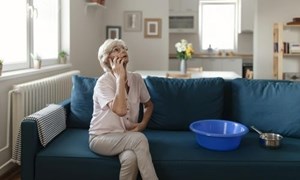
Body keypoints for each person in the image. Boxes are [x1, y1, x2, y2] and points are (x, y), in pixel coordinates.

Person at [89, 39, 158, 180]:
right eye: (116, 49)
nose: (123, 51)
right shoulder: (103, 83)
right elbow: (120, 110)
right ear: (107, 59)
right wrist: (120, 77)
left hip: (125, 136)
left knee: (130, 158)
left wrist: (143, 124)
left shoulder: (137, 79)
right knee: (139, 140)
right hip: (101, 138)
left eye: (124, 48)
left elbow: (149, 105)